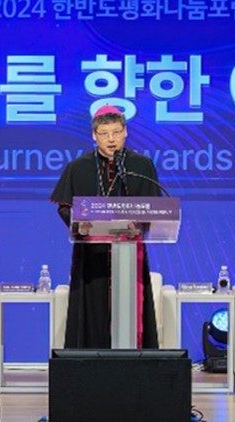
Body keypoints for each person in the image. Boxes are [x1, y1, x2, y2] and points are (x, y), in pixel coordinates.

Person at [50, 105, 162, 349]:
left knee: (132, 310)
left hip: (130, 252)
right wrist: (81, 225)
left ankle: (135, 367)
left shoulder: (142, 166)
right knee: (93, 312)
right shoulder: (78, 167)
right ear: (94, 135)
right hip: (91, 253)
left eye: (116, 132)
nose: (111, 139)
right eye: (104, 133)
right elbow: (64, 206)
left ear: (125, 132)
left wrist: (136, 223)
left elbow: (154, 207)